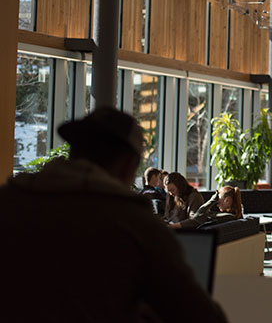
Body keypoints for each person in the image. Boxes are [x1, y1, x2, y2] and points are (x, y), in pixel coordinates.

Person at [0, 107, 227, 322]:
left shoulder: (11, 199)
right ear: (129, 164)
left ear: (75, 150)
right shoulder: (134, 222)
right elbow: (200, 315)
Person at [171, 185, 243, 230]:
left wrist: (211, 200)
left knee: (192, 222)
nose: (217, 204)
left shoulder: (229, 217)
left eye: (218, 200)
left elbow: (198, 217)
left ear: (227, 201)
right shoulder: (232, 216)